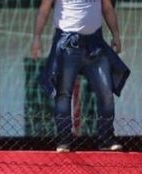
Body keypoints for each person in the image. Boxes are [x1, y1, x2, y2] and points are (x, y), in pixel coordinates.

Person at [33, 0, 130, 152]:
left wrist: (116, 35)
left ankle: (106, 140)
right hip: (67, 43)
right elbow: (44, 9)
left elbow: (107, 7)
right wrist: (37, 37)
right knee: (63, 93)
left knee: (106, 92)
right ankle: (64, 141)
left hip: (95, 44)